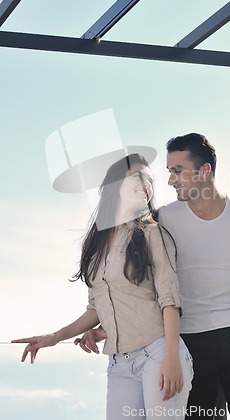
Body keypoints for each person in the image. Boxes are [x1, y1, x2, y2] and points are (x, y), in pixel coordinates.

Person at [77, 134, 230, 420]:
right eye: (168, 172)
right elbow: (135, 279)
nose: (170, 180)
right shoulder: (162, 220)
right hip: (189, 343)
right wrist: (108, 324)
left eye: (177, 171)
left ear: (204, 171)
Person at [12, 153, 193, 420]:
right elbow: (96, 307)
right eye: (138, 176)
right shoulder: (94, 244)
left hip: (158, 353)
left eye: (150, 180)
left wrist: (171, 358)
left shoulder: (152, 234)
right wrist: (54, 337)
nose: (147, 184)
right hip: (119, 363)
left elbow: (170, 300)